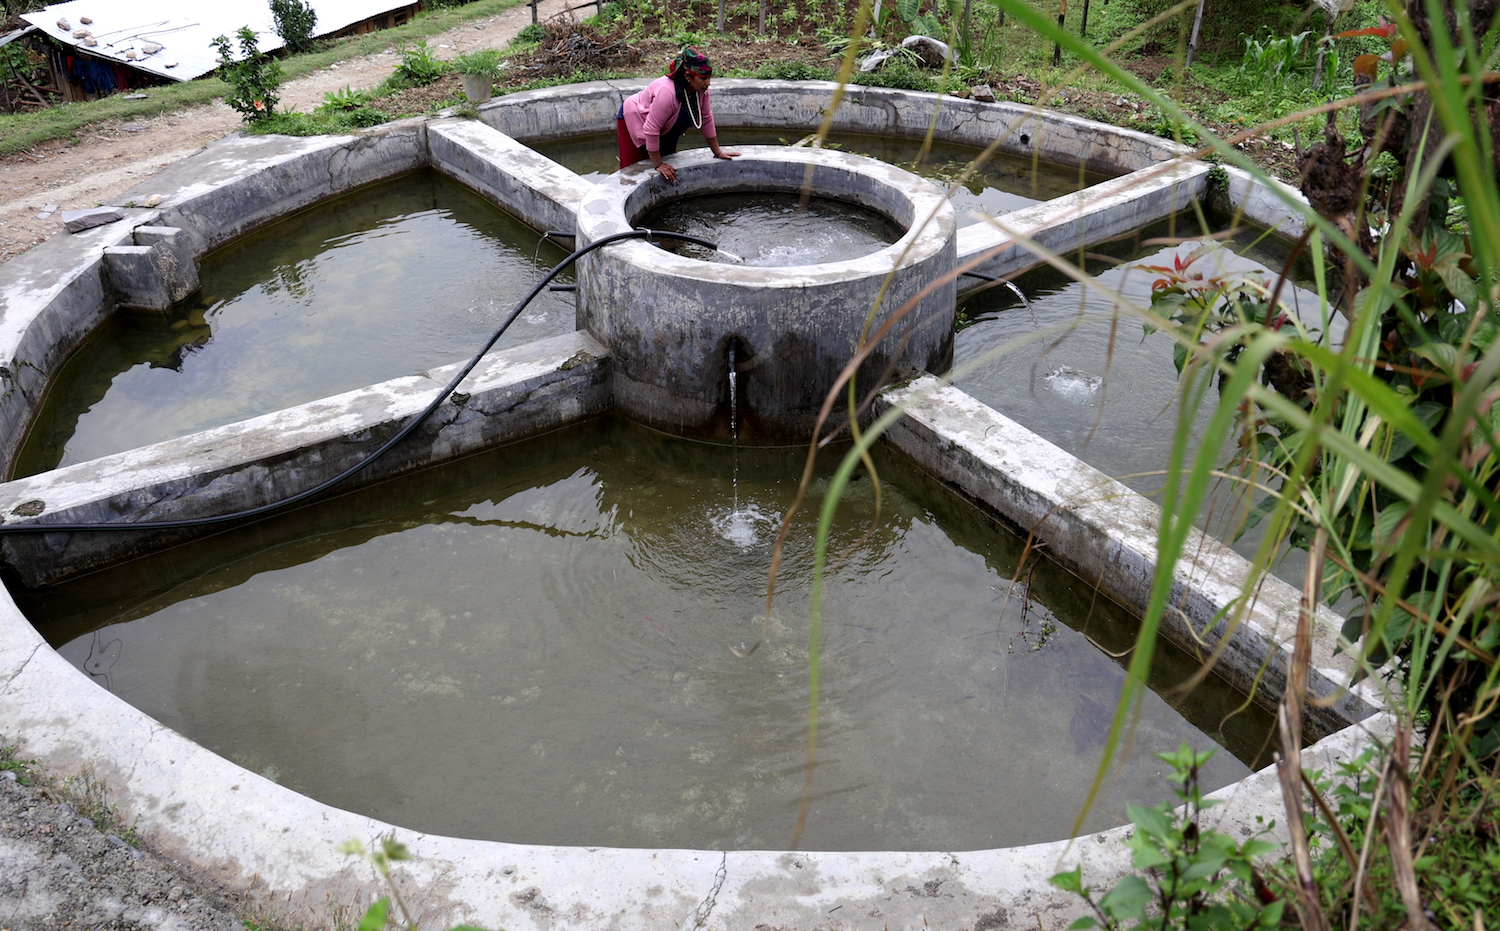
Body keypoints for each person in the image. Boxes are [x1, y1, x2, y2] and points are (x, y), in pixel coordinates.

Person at [617, 47, 739, 182]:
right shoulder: (667, 92)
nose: (708, 83)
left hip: (665, 128)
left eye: (709, 78)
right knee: (633, 174)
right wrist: (658, 164)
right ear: (688, 76)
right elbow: (651, 130)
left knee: (670, 170)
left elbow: (706, 118)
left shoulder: (702, 91)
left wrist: (718, 152)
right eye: (703, 78)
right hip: (636, 120)